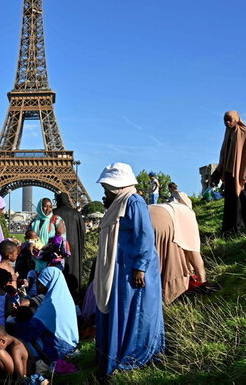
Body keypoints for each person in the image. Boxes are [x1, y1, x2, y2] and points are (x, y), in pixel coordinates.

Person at [94, 162, 165, 377]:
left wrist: (140, 267)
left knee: (136, 311)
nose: (106, 192)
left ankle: (134, 354)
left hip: (133, 268)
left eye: (108, 188)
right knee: (124, 310)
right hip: (122, 266)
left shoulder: (134, 202)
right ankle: (119, 352)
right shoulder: (120, 202)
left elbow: (145, 236)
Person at [211, 110, 246, 235]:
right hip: (231, 172)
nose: (227, 122)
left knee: (244, 199)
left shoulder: (244, 132)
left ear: (236, 119)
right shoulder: (228, 133)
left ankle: (243, 225)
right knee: (232, 202)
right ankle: (231, 229)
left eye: (230, 119)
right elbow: (225, 155)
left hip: (245, 171)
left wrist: (244, 172)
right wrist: (219, 172)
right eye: (225, 120)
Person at [16, 267, 78, 366]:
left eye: (42, 284)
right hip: (71, 343)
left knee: (22, 341)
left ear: (50, 283)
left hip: (60, 348)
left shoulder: (51, 303)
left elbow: (31, 330)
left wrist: (10, 328)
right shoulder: (63, 297)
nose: (39, 288)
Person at [53, 192, 86, 303]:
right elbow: (82, 233)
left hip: (57, 249)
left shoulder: (54, 213)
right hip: (74, 248)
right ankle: (74, 298)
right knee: (73, 272)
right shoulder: (76, 214)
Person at [29, 197, 66, 271]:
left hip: (51, 258)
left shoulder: (56, 220)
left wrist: (46, 252)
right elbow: (29, 237)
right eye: (45, 206)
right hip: (36, 259)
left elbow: (62, 240)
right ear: (40, 207)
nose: (48, 209)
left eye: (50, 207)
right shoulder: (34, 222)